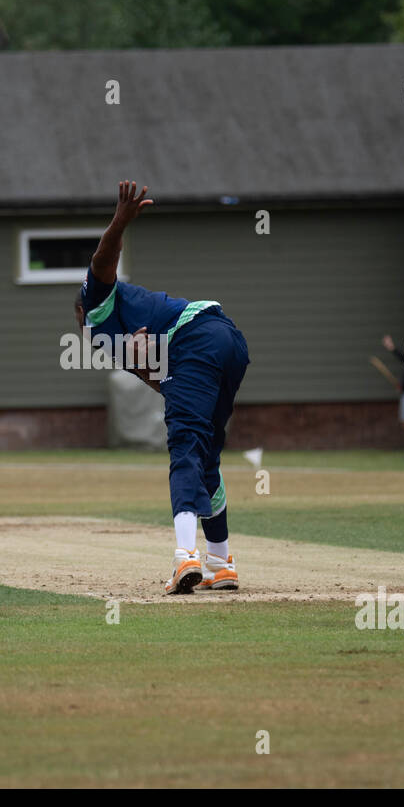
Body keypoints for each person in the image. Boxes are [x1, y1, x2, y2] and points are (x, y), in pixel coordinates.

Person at [76, 180, 250, 595]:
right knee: (205, 453)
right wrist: (173, 391)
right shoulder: (116, 345)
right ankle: (220, 562)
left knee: (186, 448)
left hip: (194, 339)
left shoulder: (96, 309)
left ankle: (185, 556)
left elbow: (103, 260)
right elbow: (155, 379)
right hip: (228, 341)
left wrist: (119, 221)